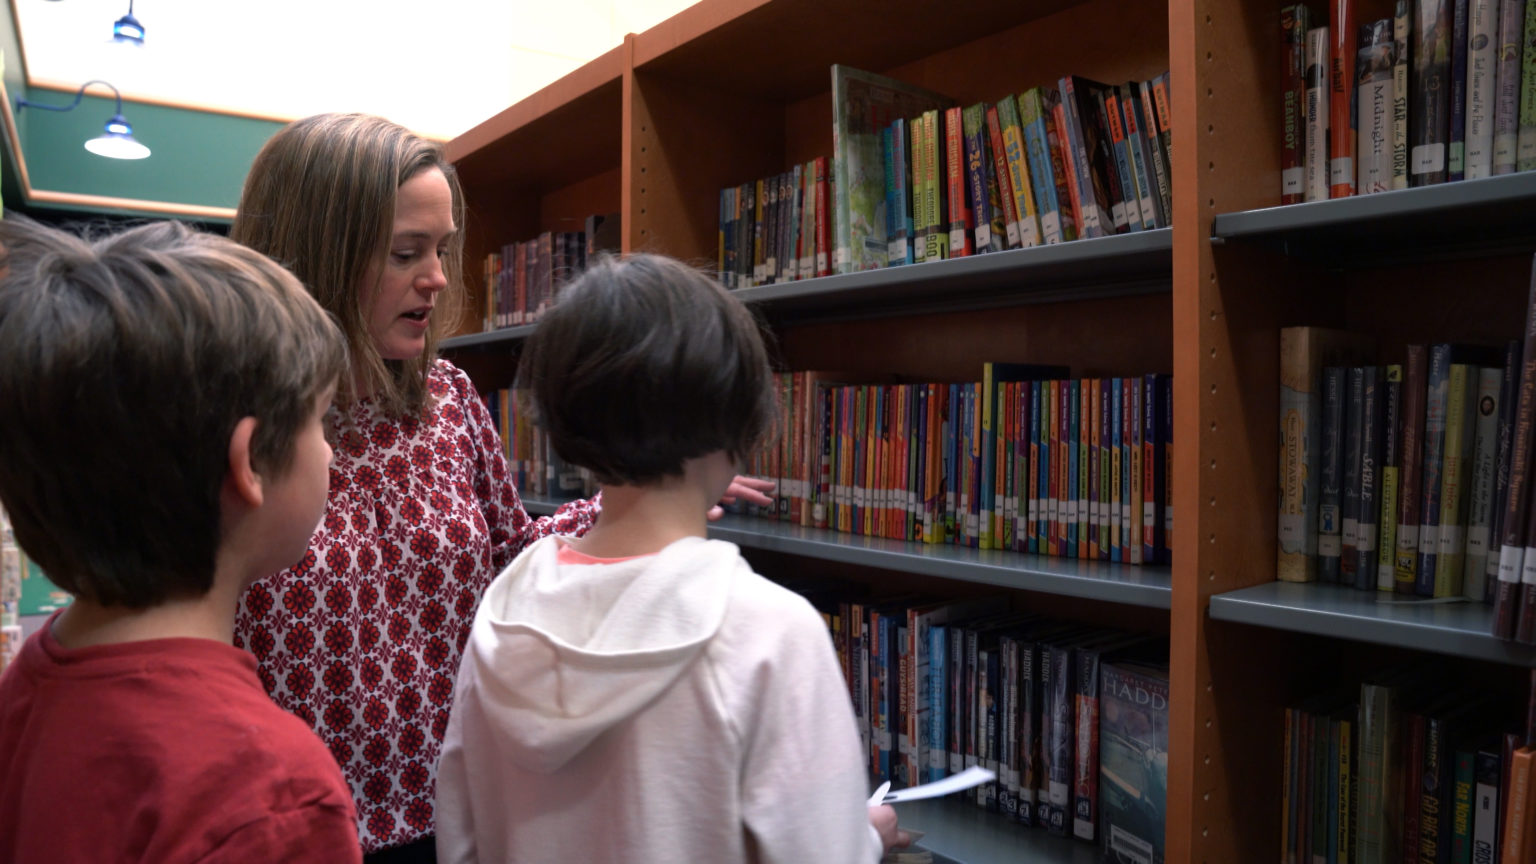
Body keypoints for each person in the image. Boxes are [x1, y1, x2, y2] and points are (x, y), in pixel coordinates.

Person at [229, 113, 774, 861]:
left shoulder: (447, 399)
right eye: (405, 252)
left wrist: (642, 495)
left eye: (444, 249)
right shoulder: (246, 429)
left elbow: (509, 555)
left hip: (459, 813)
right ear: (321, 256)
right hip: (301, 827)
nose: (439, 278)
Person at [435, 253, 907, 864]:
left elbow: (461, 834)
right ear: (739, 419)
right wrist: (867, 834)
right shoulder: (770, 634)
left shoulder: (502, 615)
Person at [0, 217, 359, 862]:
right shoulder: (273, 795)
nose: (330, 452)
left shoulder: (27, 689)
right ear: (248, 465)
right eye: (320, 418)